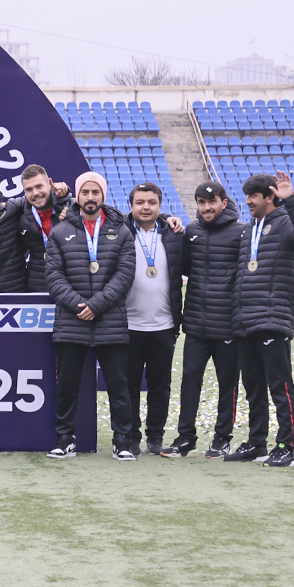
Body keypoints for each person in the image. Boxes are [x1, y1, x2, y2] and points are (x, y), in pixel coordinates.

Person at [224, 171, 294, 467]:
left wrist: (291, 199)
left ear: (269, 197)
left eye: (253, 195)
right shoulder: (249, 229)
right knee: (253, 389)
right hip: (244, 321)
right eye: (246, 195)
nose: (247, 201)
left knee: (280, 387)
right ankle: (257, 443)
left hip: (272, 319)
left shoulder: (286, 223)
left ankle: (286, 446)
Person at [44, 171, 137, 460]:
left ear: (103, 196)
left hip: (110, 320)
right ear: (78, 196)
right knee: (67, 386)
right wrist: (78, 305)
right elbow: (53, 276)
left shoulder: (122, 231)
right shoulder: (60, 232)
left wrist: (96, 304)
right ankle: (65, 439)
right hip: (71, 320)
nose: (90, 197)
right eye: (85, 192)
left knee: (118, 386)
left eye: (95, 192)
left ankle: (122, 441)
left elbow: (125, 275)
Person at [163, 182, 243, 459]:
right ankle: (186, 438)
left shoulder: (241, 231)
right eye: (201, 202)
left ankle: (222, 438)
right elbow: (185, 266)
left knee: (228, 384)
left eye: (212, 202)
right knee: (189, 380)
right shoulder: (192, 231)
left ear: (223, 203)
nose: (207, 207)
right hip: (196, 324)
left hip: (228, 325)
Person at [122, 183, 184, 456]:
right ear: (131, 206)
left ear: (160, 205)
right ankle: (131, 436)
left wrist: (169, 219)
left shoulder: (174, 234)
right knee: (129, 386)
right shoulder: (120, 231)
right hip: (128, 325)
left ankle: (155, 436)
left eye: (151, 202)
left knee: (160, 386)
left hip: (164, 325)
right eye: (140, 202)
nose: (145, 207)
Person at [18, 164, 74, 293]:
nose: (35, 193)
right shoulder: (21, 214)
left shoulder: (72, 209)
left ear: (49, 184)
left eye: (39, 186)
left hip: (71, 284)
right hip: (37, 285)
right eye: (29, 189)